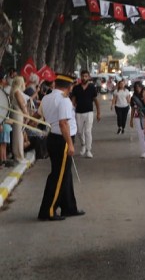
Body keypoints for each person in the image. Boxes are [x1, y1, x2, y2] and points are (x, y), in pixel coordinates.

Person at [38, 74, 85, 221]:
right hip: (62, 140)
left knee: (65, 175)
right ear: (69, 87)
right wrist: (70, 144)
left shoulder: (46, 98)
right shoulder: (64, 100)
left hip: (54, 138)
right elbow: (63, 123)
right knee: (58, 176)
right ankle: (48, 211)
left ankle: (68, 207)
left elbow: (41, 116)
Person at [71, 70, 101, 158]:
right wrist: (71, 111)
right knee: (80, 132)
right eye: (83, 76)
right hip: (79, 112)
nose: (84, 78)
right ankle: (83, 144)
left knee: (88, 131)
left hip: (89, 112)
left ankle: (88, 150)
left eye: (86, 76)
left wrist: (98, 112)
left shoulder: (92, 87)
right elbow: (73, 101)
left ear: (88, 77)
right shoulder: (76, 88)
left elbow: (96, 100)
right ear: (80, 77)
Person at [9, 76, 29, 162]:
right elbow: (22, 105)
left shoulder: (14, 91)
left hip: (17, 114)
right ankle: (19, 156)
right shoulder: (17, 92)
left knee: (18, 135)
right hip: (18, 114)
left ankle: (19, 155)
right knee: (18, 136)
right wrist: (26, 115)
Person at [129, 82, 145, 158]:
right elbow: (133, 109)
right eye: (136, 87)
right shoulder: (133, 97)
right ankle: (143, 151)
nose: (138, 88)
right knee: (140, 134)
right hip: (137, 117)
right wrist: (131, 120)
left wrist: (144, 95)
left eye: (139, 87)